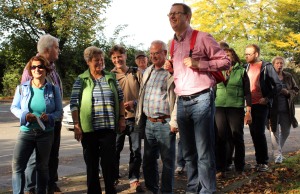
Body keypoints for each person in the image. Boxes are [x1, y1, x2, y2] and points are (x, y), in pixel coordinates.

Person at [166, 3, 231, 193]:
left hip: (201, 98)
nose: (172, 17)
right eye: (169, 14)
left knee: (203, 151)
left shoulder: (202, 37)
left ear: (188, 17)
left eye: (176, 14)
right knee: (188, 152)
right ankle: (193, 188)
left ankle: (207, 190)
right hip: (182, 101)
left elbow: (225, 62)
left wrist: (199, 63)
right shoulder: (173, 42)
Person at [70, 46, 125, 194]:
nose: (100, 62)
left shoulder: (111, 77)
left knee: (108, 165)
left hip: (108, 129)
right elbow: (74, 104)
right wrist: (76, 125)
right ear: (88, 62)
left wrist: (121, 118)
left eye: (101, 59)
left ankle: (110, 190)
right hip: (89, 131)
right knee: (92, 166)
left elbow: (120, 99)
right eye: (96, 60)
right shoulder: (81, 80)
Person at [10, 55, 63, 194]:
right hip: (26, 132)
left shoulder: (53, 89)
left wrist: (50, 117)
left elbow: (59, 111)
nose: (37, 69)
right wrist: (24, 115)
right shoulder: (22, 88)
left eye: (40, 66)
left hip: (45, 133)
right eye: (34, 67)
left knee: (42, 167)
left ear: (46, 69)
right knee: (17, 167)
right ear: (30, 70)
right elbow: (14, 107)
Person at [135, 40, 177, 194]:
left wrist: (175, 121)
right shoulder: (148, 71)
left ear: (165, 53)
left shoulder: (171, 72)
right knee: (148, 161)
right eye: (151, 53)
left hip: (165, 123)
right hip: (149, 123)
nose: (153, 56)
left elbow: (178, 97)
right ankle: (153, 189)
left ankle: (166, 191)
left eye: (156, 53)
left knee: (167, 162)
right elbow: (143, 95)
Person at [109, 45, 144, 192]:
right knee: (114, 151)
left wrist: (134, 103)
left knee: (135, 151)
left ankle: (134, 179)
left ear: (125, 56)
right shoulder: (109, 76)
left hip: (135, 119)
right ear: (112, 59)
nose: (118, 60)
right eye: (114, 57)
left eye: (120, 56)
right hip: (118, 120)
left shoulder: (137, 72)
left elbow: (145, 93)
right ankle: (113, 178)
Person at [215, 48, 252, 177]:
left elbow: (248, 93)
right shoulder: (217, 71)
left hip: (236, 108)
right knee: (220, 138)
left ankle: (239, 168)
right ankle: (221, 168)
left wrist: (248, 111)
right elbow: (212, 90)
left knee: (237, 137)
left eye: (229, 55)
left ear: (234, 57)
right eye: (224, 56)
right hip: (219, 107)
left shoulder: (241, 71)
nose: (227, 58)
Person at [244, 44, 282, 172]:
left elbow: (278, 85)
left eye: (249, 54)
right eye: (245, 54)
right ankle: (259, 161)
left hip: (261, 105)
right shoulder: (245, 67)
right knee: (253, 133)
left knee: (259, 133)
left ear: (256, 54)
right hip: (249, 106)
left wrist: (267, 98)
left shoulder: (266, 67)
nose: (246, 56)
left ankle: (263, 162)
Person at [268, 56, 299, 164]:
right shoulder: (269, 76)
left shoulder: (288, 76)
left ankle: (278, 151)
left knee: (286, 131)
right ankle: (277, 155)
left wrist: (288, 92)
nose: (279, 65)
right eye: (277, 63)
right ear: (273, 64)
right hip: (273, 109)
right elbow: (264, 90)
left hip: (286, 109)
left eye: (281, 63)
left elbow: (296, 89)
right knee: (274, 131)